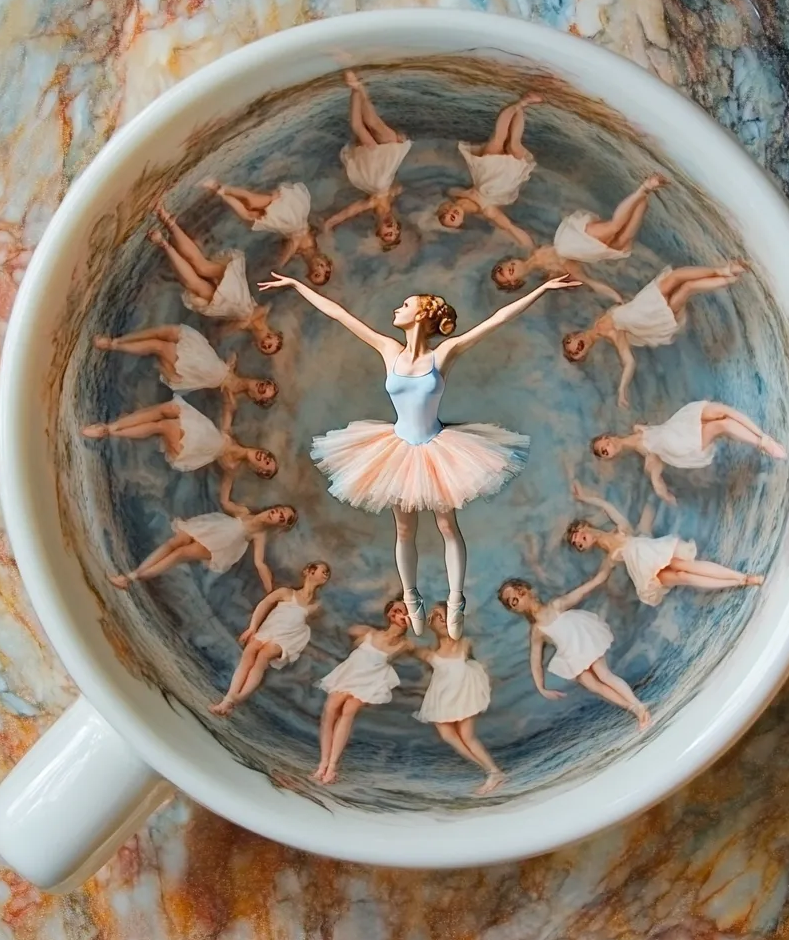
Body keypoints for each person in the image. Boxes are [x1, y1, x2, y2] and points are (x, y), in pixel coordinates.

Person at [258, 270, 579, 639]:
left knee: (446, 526)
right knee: (404, 528)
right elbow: (340, 315)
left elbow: (497, 319)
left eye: (405, 305)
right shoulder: (388, 350)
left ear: (422, 315)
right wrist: (297, 285)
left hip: (436, 449)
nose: (398, 308)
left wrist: (541, 288)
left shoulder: (444, 353)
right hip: (396, 450)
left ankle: (456, 600)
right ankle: (412, 598)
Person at [562, 261, 748, 408]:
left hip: (646, 303)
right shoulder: (611, 335)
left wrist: (614, 296)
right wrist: (622, 389)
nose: (579, 345)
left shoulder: (598, 322)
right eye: (579, 350)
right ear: (585, 352)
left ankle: (724, 270)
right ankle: (728, 278)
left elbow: (609, 296)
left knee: (676, 277)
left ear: (574, 335)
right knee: (687, 288)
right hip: (653, 316)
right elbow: (629, 362)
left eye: (575, 343)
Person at [497, 572, 650, 731]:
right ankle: (635, 708)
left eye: (519, 593)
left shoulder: (556, 605)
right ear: (514, 609)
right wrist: (541, 688)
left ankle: (638, 705)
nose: (520, 599)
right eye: (513, 601)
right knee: (593, 686)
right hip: (571, 656)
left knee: (604, 675)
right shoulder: (537, 630)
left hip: (584, 641)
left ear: (527, 590)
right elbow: (535, 661)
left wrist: (606, 569)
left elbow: (584, 590)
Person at [568, 482, 763, 605]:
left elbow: (606, 506)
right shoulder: (608, 558)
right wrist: (573, 597)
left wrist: (585, 498)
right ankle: (739, 582)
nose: (580, 542)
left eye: (578, 536)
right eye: (578, 545)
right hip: (643, 572)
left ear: (584, 527)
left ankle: (744, 578)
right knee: (683, 576)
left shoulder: (619, 528)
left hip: (652, 552)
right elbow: (599, 580)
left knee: (686, 567)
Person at [80, 392, 277, 498]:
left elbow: (225, 496)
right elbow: (227, 416)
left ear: (257, 470)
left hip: (191, 448)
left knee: (163, 425)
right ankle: (111, 427)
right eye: (268, 457)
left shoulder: (233, 466)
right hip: (199, 430)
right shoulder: (234, 439)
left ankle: (109, 432)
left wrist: (238, 512)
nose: (264, 458)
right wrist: (229, 401)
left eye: (265, 464)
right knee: (166, 410)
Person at [491, 175, 669, 291]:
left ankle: (645, 187)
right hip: (582, 249)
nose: (506, 269)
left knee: (614, 227)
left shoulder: (530, 247)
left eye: (503, 267)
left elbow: (510, 226)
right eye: (506, 274)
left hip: (571, 237)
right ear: (515, 282)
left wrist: (489, 210)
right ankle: (647, 193)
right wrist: (615, 296)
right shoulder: (550, 275)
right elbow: (585, 279)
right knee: (625, 238)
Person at [592, 401, 787, 504]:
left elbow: (655, 427)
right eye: (604, 451)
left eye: (605, 442)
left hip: (679, 424)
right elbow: (656, 476)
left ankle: (763, 437)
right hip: (681, 443)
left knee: (721, 410)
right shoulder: (646, 455)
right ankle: (762, 444)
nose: (608, 446)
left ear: (608, 435)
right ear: (610, 456)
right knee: (722, 424)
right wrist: (665, 495)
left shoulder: (637, 429)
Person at [208, 561, 331, 716]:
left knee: (262, 657)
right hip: (269, 629)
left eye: (328, 573)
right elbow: (263, 604)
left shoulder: (316, 606)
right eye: (323, 570)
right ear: (309, 571)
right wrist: (252, 628)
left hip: (288, 637)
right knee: (249, 653)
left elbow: (302, 623)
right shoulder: (286, 592)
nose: (326, 574)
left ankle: (233, 700)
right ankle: (229, 700)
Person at [313, 599, 414, 785]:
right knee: (330, 709)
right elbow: (345, 628)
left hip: (370, 680)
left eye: (407, 611)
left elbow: (421, 640)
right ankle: (323, 763)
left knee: (348, 710)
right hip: (351, 673)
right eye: (399, 611)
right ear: (390, 615)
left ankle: (332, 767)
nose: (403, 614)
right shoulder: (370, 632)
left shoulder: (406, 644)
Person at [413, 604, 503, 795]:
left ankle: (493, 772)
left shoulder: (464, 643)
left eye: (447, 615)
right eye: (438, 616)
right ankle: (491, 771)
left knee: (467, 736)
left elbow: (473, 659)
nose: (444, 619)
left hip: (463, 689)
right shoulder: (428, 652)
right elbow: (407, 645)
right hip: (442, 695)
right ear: (430, 623)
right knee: (448, 736)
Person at [107, 502, 297, 590]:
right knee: (173, 543)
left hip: (221, 545)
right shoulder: (245, 511)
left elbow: (260, 563)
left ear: (279, 525)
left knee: (179, 554)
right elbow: (225, 502)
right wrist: (228, 475)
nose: (277, 514)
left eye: (282, 518)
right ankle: (133, 574)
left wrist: (270, 589)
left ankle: (131, 578)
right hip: (211, 528)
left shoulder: (259, 534)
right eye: (280, 510)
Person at [436, 94, 542, 247]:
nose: (451, 213)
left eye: (446, 214)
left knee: (497, 139)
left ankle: (521, 102)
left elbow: (450, 191)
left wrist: (460, 194)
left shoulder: (456, 197)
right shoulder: (486, 212)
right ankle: (520, 108)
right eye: (452, 218)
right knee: (513, 144)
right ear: (461, 222)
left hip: (486, 173)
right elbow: (509, 227)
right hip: (505, 180)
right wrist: (532, 251)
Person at [323, 71, 411, 250]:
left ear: (378, 230)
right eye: (395, 230)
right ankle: (357, 86)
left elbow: (346, 213)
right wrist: (397, 187)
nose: (391, 228)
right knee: (372, 121)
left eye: (387, 233)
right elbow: (394, 182)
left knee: (358, 125)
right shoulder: (392, 200)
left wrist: (328, 226)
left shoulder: (370, 204)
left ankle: (356, 88)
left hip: (372, 162)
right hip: (388, 156)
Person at [93, 328, 277, 404]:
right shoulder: (238, 372)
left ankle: (111, 345)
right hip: (205, 357)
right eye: (264, 384)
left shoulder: (233, 399)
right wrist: (229, 366)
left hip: (200, 370)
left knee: (159, 346)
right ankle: (118, 340)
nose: (260, 386)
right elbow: (228, 373)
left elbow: (225, 421)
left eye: (262, 391)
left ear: (255, 398)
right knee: (165, 331)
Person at [203, 179, 334, 285]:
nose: (315, 269)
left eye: (313, 275)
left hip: (285, 222)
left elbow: (289, 242)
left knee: (249, 214)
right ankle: (218, 187)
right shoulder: (311, 247)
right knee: (251, 204)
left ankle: (219, 189)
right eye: (319, 271)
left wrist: (280, 261)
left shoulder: (302, 255)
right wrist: (281, 264)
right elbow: (295, 240)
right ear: (325, 265)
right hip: (290, 217)